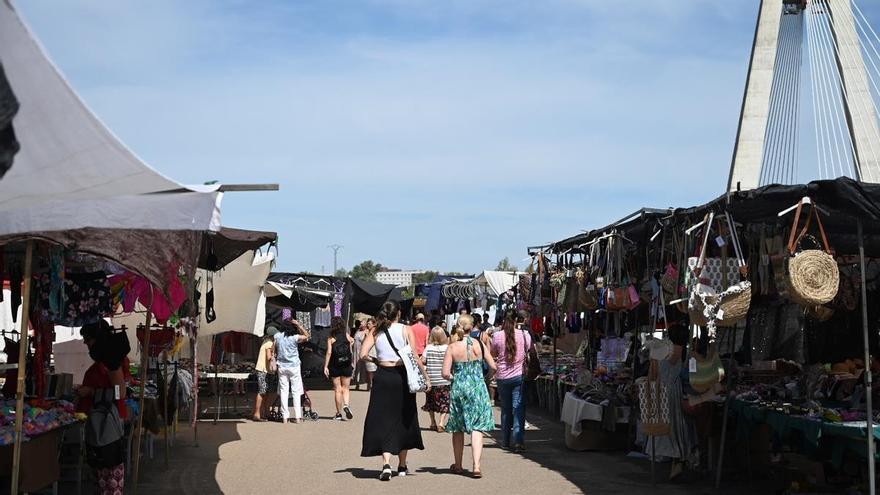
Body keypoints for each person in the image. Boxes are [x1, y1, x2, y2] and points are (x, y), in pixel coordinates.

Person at [360, 301, 431, 481]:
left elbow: (363, 355)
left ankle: (386, 463)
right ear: (398, 313)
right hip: (401, 376)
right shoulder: (406, 329)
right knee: (404, 417)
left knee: (384, 418)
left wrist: (376, 361)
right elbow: (415, 356)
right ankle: (402, 464)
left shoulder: (376, 331)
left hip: (383, 376)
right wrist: (426, 377)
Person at [443, 314, 496, 479]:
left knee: (458, 427)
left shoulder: (452, 347)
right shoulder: (479, 344)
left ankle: (458, 465)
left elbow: (445, 373)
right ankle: (476, 466)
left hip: (459, 388)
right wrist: (485, 378)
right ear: (472, 326)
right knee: (477, 427)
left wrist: (455, 378)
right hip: (478, 387)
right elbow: (493, 366)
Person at [77, 320, 127, 495]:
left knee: (110, 481)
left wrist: (91, 391)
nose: (85, 343)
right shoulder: (104, 363)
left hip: (109, 427)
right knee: (101, 479)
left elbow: (120, 393)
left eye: (88, 339)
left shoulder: (112, 362)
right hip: (99, 427)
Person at [645, 323, 696, 480]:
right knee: (672, 426)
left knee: (669, 426)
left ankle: (677, 459)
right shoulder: (677, 350)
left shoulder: (672, 350)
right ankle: (677, 459)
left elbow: (652, 372)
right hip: (669, 391)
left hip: (663, 390)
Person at [491, 309, 531, 452]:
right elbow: (529, 350)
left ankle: (505, 441)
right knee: (518, 408)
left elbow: (493, 353)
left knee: (506, 410)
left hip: (502, 377)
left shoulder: (497, 336)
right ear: (516, 320)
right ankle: (519, 442)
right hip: (518, 376)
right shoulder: (524, 335)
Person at [275, 318, 310, 424]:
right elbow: (307, 336)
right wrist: (299, 325)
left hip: (282, 366)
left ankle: (285, 417)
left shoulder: (277, 336)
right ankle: (298, 416)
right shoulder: (295, 338)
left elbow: (274, 349)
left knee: (284, 391)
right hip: (294, 366)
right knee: (296, 391)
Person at [324, 316, 355, 421]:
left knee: (337, 389)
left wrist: (326, 366)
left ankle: (338, 414)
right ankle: (346, 404)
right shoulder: (347, 335)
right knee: (346, 388)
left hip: (335, 365)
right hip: (346, 364)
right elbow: (351, 345)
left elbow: (329, 352)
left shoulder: (331, 338)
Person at [421, 327, 451, 432]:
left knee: (430, 402)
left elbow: (423, 361)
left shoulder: (428, 348)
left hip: (431, 379)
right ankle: (441, 423)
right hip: (444, 379)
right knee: (445, 402)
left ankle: (433, 422)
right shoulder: (447, 348)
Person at [252, 326, 278, 422]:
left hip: (265, 370)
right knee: (262, 391)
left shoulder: (266, 341)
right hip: (264, 370)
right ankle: (257, 414)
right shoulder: (269, 343)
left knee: (265, 392)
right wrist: (275, 358)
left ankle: (266, 412)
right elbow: (268, 357)